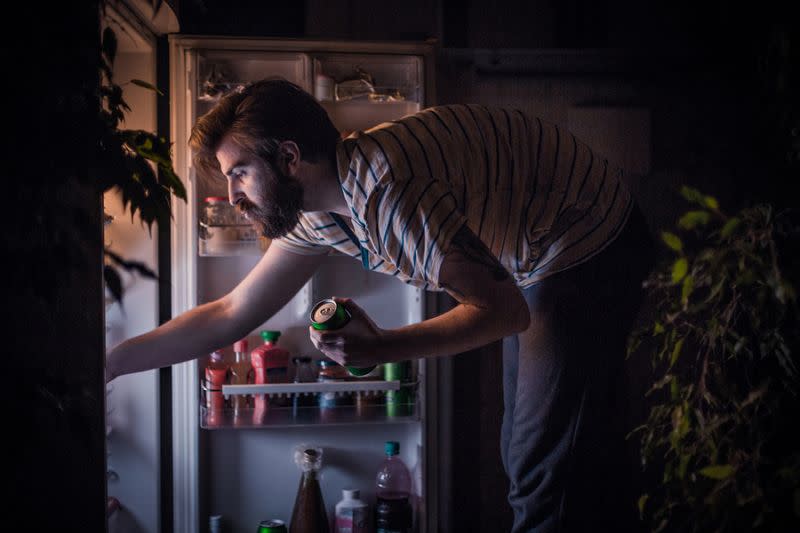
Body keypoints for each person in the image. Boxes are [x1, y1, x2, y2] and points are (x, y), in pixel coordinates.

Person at [106, 78, 655, 532]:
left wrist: (380, 345)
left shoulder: (387, 191)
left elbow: (504, 313)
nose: (233, 197)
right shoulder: (319, 209)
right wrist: (111, 361)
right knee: (541, 457)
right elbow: (230, 313)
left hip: (588, 242)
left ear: (290, 158)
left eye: (239, 173)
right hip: (532, 260)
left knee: (540, 476)